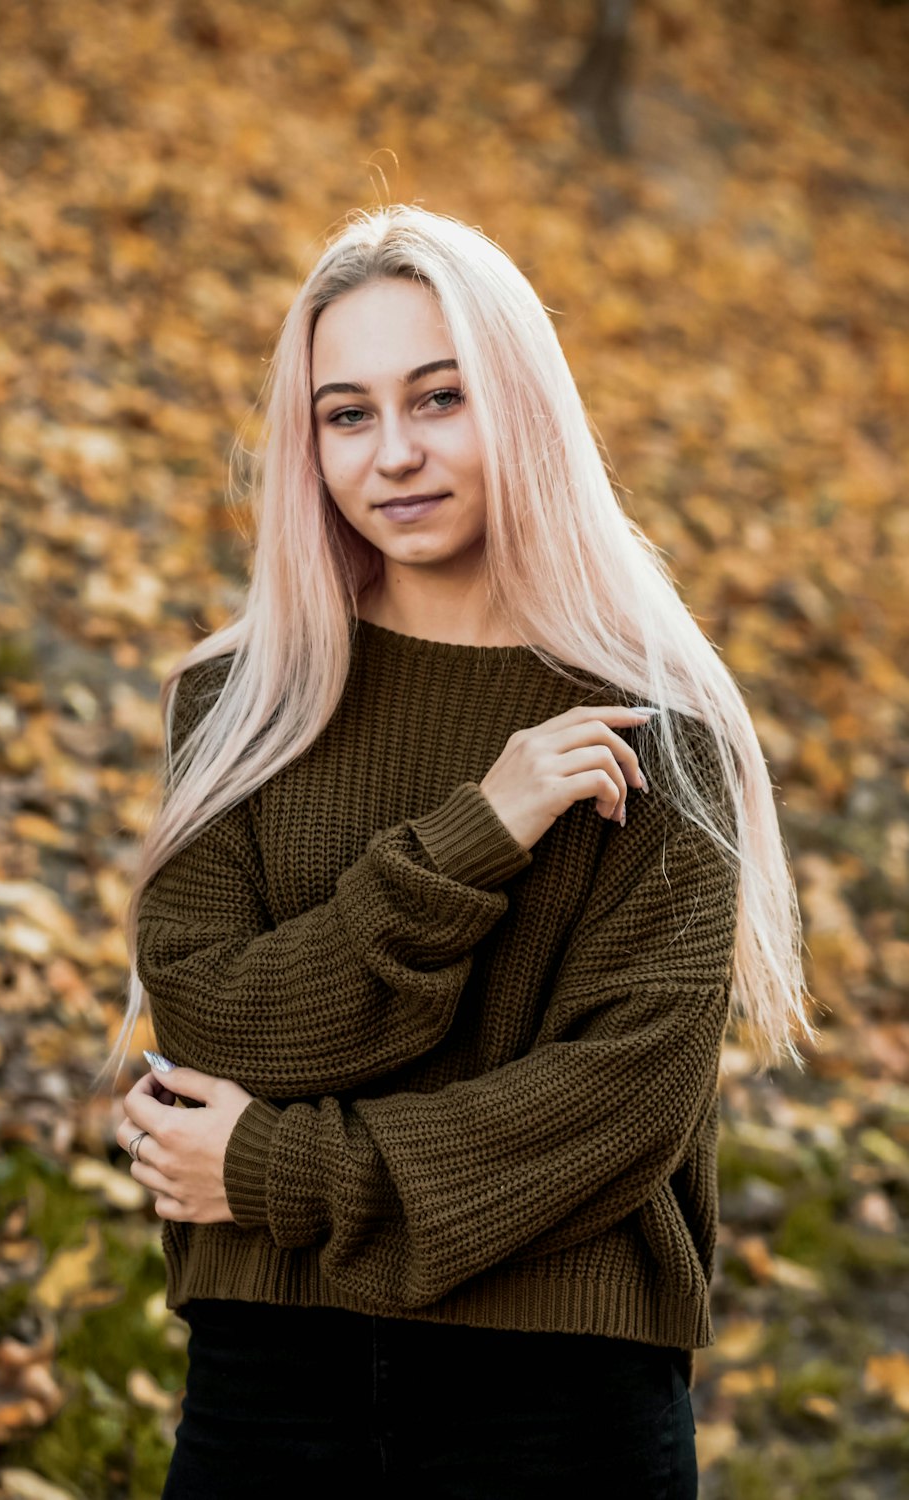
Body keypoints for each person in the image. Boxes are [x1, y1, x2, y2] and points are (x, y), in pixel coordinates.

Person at [100, 204, 813, 1496]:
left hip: (553, 1398)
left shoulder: (656, 731)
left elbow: (614, 1110)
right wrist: (478, 835)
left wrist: (272, 1163)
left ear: (521, 407)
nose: (394, 455)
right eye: (348, 413)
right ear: (307, 441)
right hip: (272, 1373)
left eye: (441, 398)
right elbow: (214, 1020)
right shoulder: (237, 706)